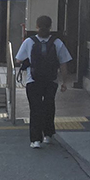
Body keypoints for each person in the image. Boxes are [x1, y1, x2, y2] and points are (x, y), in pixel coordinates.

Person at [15, 15, 72, 149]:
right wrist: (64, 82)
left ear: (36, 26)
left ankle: (35, 140)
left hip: (32, 80)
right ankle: (48, 135)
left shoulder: (29, 41)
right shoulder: (57, 42)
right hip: (51, 80)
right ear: (51, 27)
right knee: (49, 106)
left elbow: (18, 60)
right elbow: (64, 63)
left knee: (35, 109)